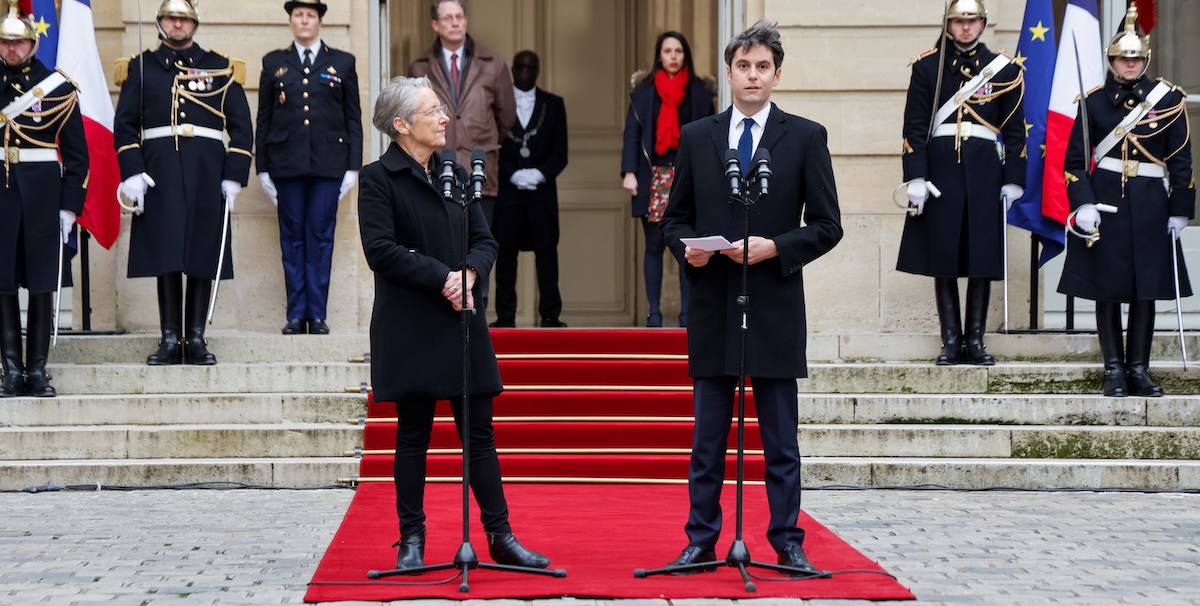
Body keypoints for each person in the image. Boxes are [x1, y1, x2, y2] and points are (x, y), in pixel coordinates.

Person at [660, 21, 843, 574]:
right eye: (744, 66)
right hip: (715, 302)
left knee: (781, 440)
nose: (753, 75)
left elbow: (828, 225)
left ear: (777, 74)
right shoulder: (697, 135)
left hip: (775, 303)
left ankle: (787, 540)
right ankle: (701, 540)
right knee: (708, 439)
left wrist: (775, 248)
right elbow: (675, 219)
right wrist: (687, 249)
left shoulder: (806, 136)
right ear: (731, 72)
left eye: (763, 66)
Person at [358, 76, 550, 571]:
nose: (445, 118)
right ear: (401, 124)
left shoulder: (456, 172)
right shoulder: (378, 178)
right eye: (433, 111)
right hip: (410, 324)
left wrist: (468, 273)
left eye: (443, 109)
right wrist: (442, 277)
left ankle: (500, 536)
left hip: (461, 321)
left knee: (479, 435)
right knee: (413, 434)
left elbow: (485, 240)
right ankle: (411, 541)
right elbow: (380, 250)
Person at [1057, 4, 1194, 397]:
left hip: (1151, 203)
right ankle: (1113, 368)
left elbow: (1181, 159)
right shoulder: (1093, 103)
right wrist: (1081, 202)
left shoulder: (1167, 100)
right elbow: (1074, 162)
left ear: (1144, 59)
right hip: (1105, 205)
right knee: (1108, 289)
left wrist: (1181, 208)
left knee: (1144, 290)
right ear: (1112, 61)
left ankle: (1139, 368)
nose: (1129, 64)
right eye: (1122, 58)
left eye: (1135, 58)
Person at [113, 0, 252, 365]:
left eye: (184, 18)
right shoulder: (140, 67)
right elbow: (125, 125)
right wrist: (132, 171)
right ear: (160, 23)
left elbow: (241, 126)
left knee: (202, 251)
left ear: (194, 23)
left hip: (207, 170)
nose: (177, 24)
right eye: (171, 18)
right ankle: (171, 338)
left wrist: (234, 176)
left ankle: (196, 338)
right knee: (168, 252)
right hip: (159, 170)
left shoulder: (220, 67)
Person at [896, 0, 1025, 366]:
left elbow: (1016, 130)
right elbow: (915, 126)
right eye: (958, 21)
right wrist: (915, 175)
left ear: (983, 24)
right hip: (941, 169)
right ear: (948, 24)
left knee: (981, 256)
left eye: (972, 21)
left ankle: (977, 340)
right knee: (944, 256)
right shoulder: (927, 66)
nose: (965, 28)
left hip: (985, 170)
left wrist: (1013, 177)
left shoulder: (1004, 70)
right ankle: (951, 340)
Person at [256, 0, 362, 336]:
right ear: (291, 21)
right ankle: (295, 312)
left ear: (319, 22)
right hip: (286, 164)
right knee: (292, 238)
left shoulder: (342, 62)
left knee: (319, 236)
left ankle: (316, 313)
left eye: (310, 15)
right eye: (298, 15)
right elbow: (264, 118)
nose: (304, 21)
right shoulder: (274, 62)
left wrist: (353, 167)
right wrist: (262, 168)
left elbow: (353, 118)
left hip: (329, 165)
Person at [0, 6, 88, 398]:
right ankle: (10, 370)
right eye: (5, 42)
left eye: (18, 41)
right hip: (1, 191)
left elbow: (78, 155)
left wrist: (70, 206)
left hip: (42, 195)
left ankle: (36, 370)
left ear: (33, 43)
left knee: (40, 282)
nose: (12, 48)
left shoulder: (57, 87)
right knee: (1, 282)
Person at [408, 0, 516, 317]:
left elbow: (506, 116)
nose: (455, 23)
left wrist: (476, 139)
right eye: (448, 18)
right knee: (440, 247)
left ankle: (476, 317)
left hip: (481, 172)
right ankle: (442, 320)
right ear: (435, 25)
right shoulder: (419, 67)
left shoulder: (493, 63)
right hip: (435, 170)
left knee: (479, 248)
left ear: (466, 21)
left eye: (460, 17)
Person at [622, 31, 714, 327]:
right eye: (667, 51)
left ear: (685, 54)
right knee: (653, 247)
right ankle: (654, 313)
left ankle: (687, 313)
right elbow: (633, 135)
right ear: (659, 56)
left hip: (689, 177)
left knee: (690, 246)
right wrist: (630, 173)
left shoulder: (700, 93)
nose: (673, 56)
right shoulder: (643, 93)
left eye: (678, 51)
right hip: (654, 178)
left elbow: (711, 137)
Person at [490, 50, 569, 328]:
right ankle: (505, 316)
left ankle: (550, 315)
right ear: (512, 69)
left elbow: (561, 153)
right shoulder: (497, 104)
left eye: (531, 66)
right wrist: (511, 175)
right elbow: (491, 146)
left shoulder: (554, 104)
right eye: (520, 66)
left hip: (542, 192)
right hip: (508, 192)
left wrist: (538, 174)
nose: (525, 70)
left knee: (547, 253)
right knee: (506, 254)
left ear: (538, 70)